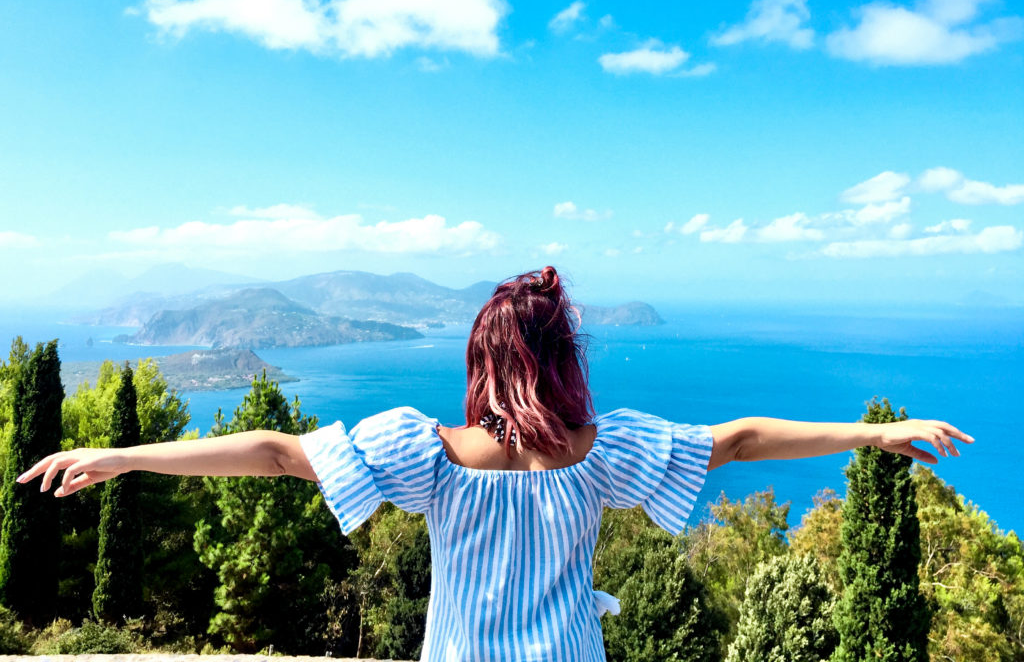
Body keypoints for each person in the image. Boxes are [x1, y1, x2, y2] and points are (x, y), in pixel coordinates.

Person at [17, 266, 972, 662]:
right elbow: (737, 440)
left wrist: (123, 456)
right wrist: (871, 432)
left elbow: (273, 451)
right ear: (564, 360)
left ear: (482, 358)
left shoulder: (429, 457)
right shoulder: (601, 456)